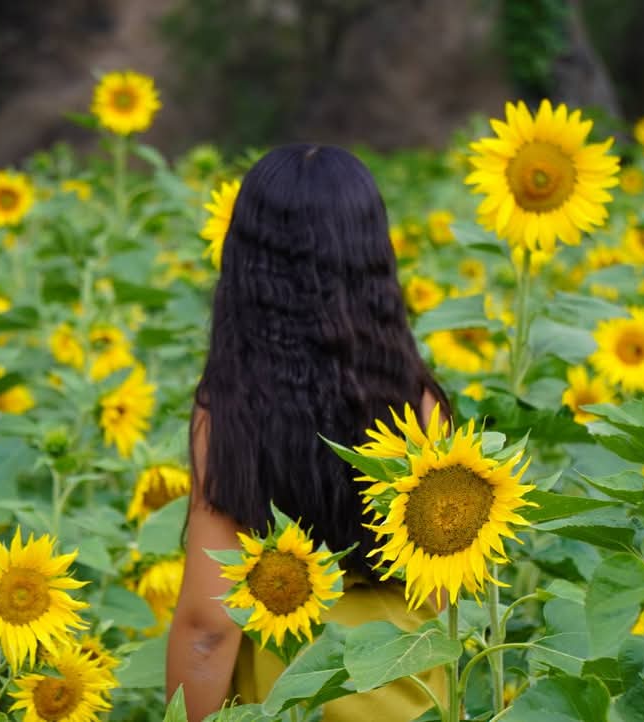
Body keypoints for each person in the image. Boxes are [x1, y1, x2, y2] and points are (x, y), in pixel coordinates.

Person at [166, 144, 450, 721]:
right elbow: (444, 593)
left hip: (287, 700)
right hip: (404, 698)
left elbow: (208, 628)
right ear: (373, 256)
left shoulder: (230, 412)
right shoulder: (419, 404)